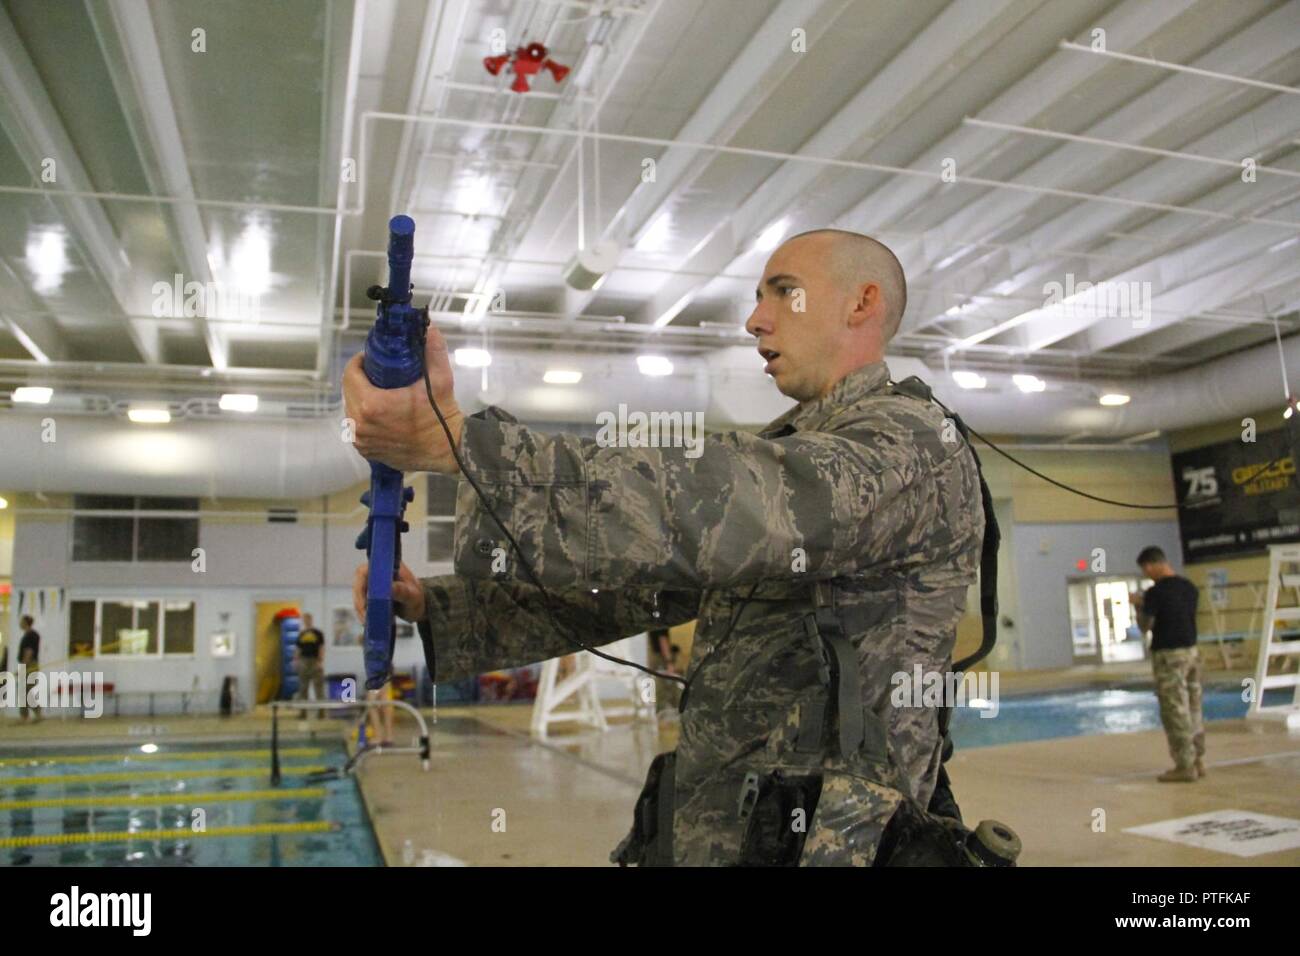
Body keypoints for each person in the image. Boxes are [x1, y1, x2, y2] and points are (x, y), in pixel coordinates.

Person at [345, 228, 987, 866]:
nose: (755, 321)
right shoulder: (801, 445)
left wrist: (464, 446)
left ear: (861, 303)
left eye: (782, 292)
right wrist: (440, 608)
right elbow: (628, 594)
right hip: (739, 833)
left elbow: (710, 499)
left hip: (834, 844)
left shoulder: (911, 447)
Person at [1131, 547, 1204, 783]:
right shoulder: (1189, 587)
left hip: (1168, 655)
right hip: (1192, 652)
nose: (1147, 574)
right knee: (1193, 706)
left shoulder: (1156, 592)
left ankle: (1184, 765)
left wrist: (1138, 605)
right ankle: (1198, 760)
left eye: (1146, 569)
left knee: (1174, 709)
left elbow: (1145, 626)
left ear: (1152, 565)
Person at [294, 613, 326, 719]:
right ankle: (303, 713)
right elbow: (298, 649)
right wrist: (296, 661)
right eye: (305, 620)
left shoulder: (318, 633)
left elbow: (321, 648)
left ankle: (321, 713)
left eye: (308, 619)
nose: (306, 621)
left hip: (315, 661)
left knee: (319, 688)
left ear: (311, 620)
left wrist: (320, 662)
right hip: (304, 661)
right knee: (303, 688)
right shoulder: (301, 634)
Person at [18, 615, 40, 722]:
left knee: (26, 690)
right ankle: (24, 716)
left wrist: (23, 666)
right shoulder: (27, 635)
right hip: (27, 664)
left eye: (21, 621)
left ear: (26, 623)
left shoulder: (31, 635)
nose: (20, 623)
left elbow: (29, 652)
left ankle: (37, 713)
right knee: (23, 691)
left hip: (29, 665)